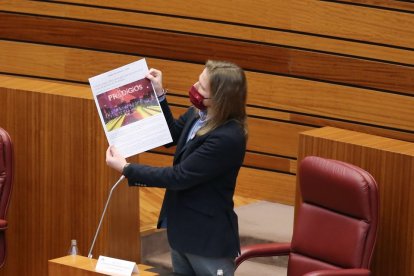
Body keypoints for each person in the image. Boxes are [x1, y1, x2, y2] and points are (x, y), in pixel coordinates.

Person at [106, 60, 248, 276]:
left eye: (201, 87)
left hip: (207, 239)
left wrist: (127, 169)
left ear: (219, 99)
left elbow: (179, 176)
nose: (194, 88)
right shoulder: (197, 115)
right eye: (198, 81)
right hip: (182, 230)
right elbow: (171, 135)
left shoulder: (228, 137)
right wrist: (159, 95)